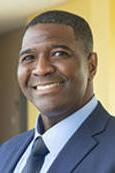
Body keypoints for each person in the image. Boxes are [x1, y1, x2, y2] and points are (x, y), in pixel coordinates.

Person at [0, 10, 115, 173]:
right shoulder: (6, 152)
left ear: (91, 65)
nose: (41, 69)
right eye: (29, 58)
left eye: (59, 54)